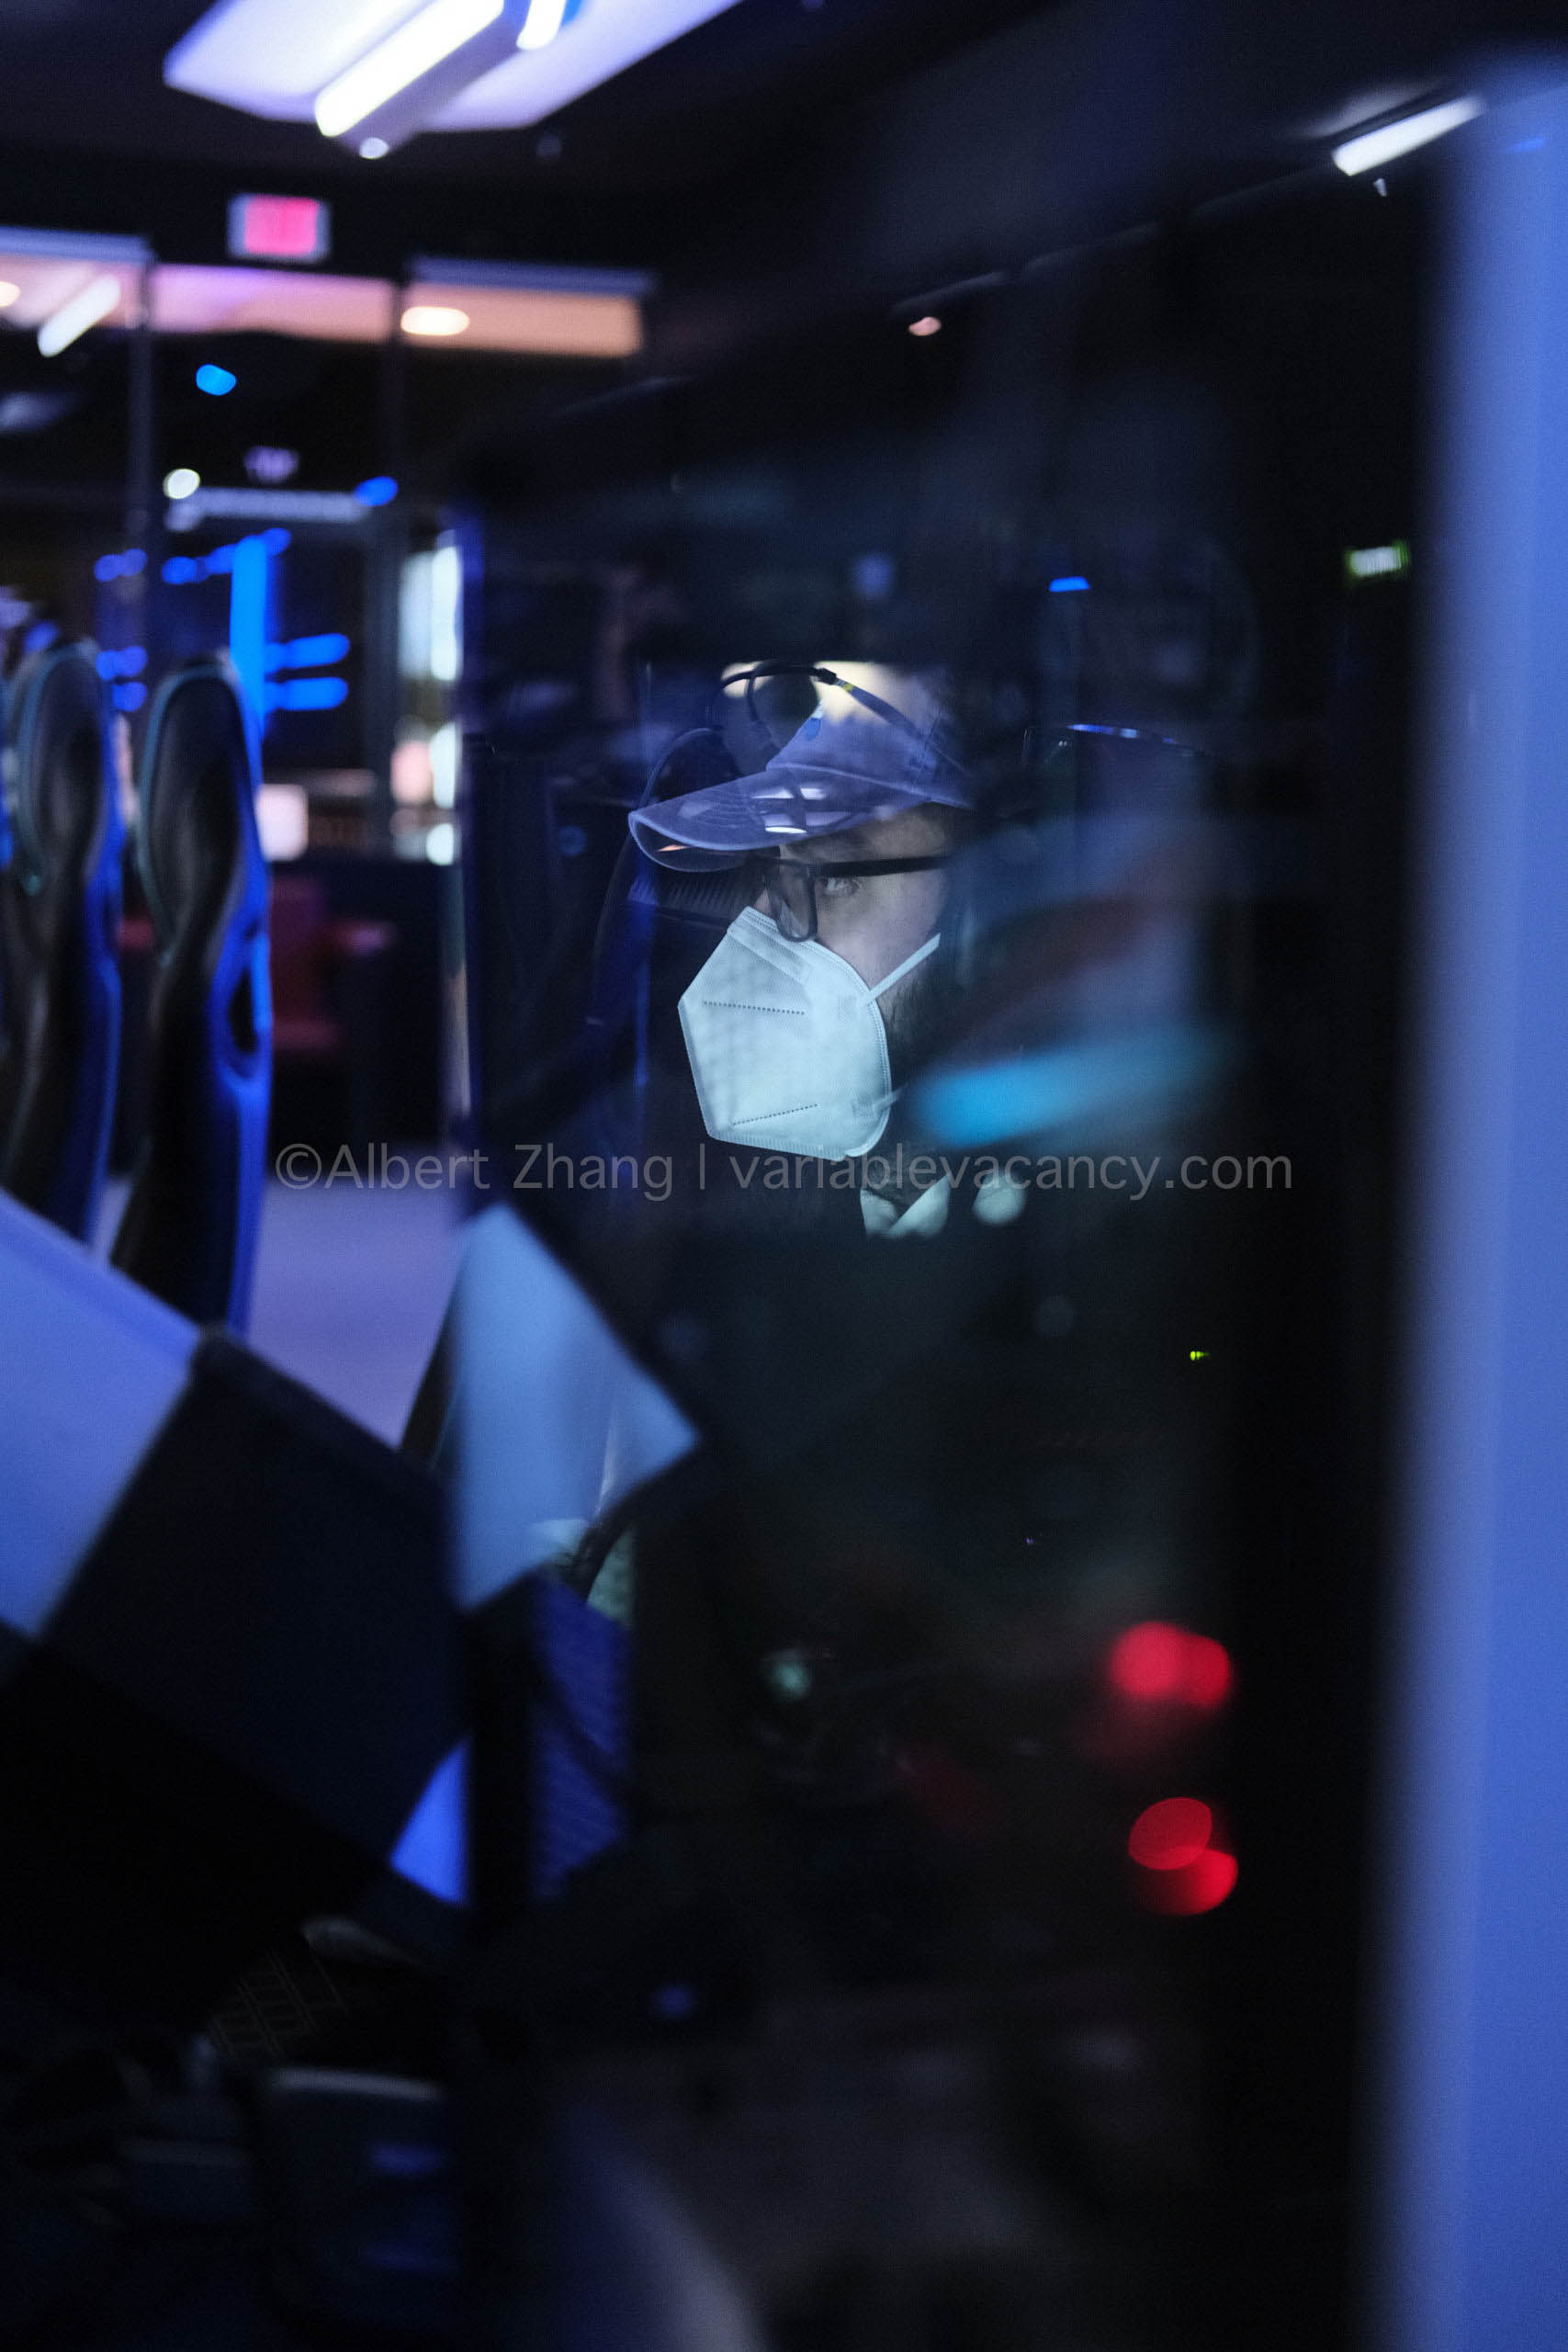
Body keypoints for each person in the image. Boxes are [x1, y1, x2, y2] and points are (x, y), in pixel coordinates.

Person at [626, 666, 989, 1238]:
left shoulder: (1082, 1229)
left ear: (981, 918)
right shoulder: (732, 1215)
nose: (766, 931)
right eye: (771, 875)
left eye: (832, 879)